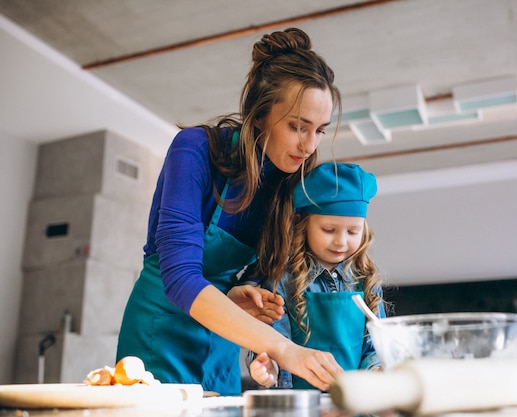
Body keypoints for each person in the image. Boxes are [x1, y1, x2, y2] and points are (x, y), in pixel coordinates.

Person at [116, 27, 344, 396]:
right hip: (160, 331)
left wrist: (247, 297)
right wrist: (283, 349)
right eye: (298, 127)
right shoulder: (195, 151)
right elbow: (180, 279)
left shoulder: (290, 185)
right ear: (258, 116)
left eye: (320, 130)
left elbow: (262, 276)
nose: (309, 145)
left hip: (222, 335)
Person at [247, 162, 386, 389]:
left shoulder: (367, 282)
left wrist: (379, 371)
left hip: (356, 406)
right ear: (303, 224)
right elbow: (275, 345)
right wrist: (268, 368)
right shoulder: (281, 281)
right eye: (329, 230)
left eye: (353, 231)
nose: (341, 241)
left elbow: (374, 349)